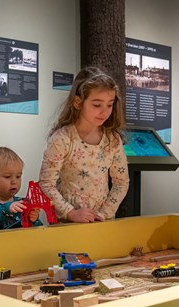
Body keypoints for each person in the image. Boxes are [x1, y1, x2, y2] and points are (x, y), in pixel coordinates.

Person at [39, 66, 129, 223]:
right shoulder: (62, 139)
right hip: (67, 224)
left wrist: (104, 213)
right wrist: (71, 213)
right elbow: (46, 184)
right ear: (78, 102)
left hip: (102, 222)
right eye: (96, 104)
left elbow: (121, 182)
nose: (105, 111)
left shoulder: (113, 140)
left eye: (109, 105)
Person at [0, 147, 42, 231]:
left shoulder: (24, 203)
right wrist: (5, 209)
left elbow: (39, 230)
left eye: (18, 176)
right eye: (7, 176)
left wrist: (34, 220)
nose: (14, 181)